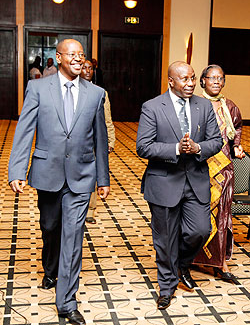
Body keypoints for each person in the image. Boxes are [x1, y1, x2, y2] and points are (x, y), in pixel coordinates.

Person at [8, 39, 110, 325]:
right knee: (50, 227)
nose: (79, 59)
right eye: (73, 55)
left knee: (73, 237)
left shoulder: (96, 94)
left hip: (81, 176)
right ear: (59, 57)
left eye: (82, 55)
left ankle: (66, 301)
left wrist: (103, 178)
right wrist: (17, 170)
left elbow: (100, 140)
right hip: (47, 173)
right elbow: (25, 129)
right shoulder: (38, 88)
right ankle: (50, 267)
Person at [136, 61, 223, 310]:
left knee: (200, 231)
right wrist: (175, 148)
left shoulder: (204, 105)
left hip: (196, 179)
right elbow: (143, 146)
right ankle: (166, 287)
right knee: (164, 239)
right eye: (184, 79)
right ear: (171, 81)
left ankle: (182, 264)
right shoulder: (152, 107)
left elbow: (216, 141)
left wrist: (198, 148)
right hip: (164, 181)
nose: (191, 83)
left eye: (193, 78)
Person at [193, 64, 245, 281]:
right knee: (197, 213)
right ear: (203, 80)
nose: (216, 81)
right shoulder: (194, 104)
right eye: (211, 77)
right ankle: (193, 257)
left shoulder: (230, 106)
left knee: (222, 215)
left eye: (220, 78)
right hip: (200, 167)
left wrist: (237, 145)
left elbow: (238, 127)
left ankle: (220, 263)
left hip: (223, 170)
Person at [81, 60, 115, 224]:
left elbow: (107, 118)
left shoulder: (101, 92)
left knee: (93, 175)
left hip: (95, 140)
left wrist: (110, 140)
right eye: (84, 68)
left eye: (90, 68)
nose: (87, 71)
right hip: (77, 141)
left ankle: (90, 211)